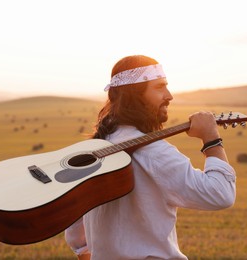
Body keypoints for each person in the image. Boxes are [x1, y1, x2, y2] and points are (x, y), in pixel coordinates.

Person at [64, 55, 236, 259]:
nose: (169, 95)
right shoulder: (155, 152)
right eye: (160, 87)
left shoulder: (95, 147)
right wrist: (211, 139)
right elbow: (220, 194)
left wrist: (86, 253)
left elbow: (74, 225)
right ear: (135, 95)